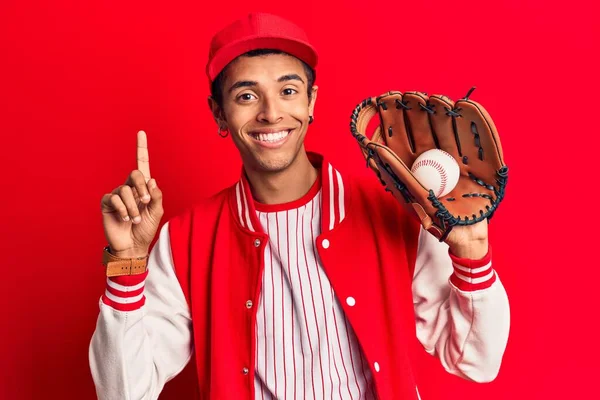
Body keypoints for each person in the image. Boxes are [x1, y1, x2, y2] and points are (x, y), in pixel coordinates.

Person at [89, 12, 510, 400]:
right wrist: (127, 260)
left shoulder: (394, 211)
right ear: (219, 114)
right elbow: (124, 391)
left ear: (311, 102)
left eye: (288, 91)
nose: (272, 113)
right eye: (247, 96)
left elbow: (476, 360)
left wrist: (472, 253)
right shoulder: (187, 239)